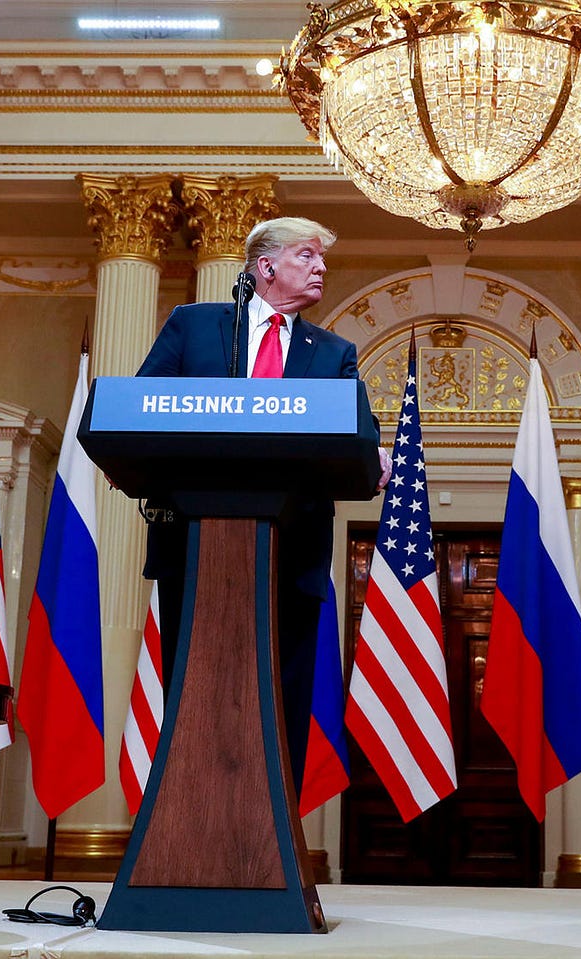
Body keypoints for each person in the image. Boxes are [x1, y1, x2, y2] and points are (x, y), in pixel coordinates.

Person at [136, 216, 390, 791]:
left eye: (322, 258)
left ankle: (273, 839)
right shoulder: (194, 328)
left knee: (281, 697)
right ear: (265, 266)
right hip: (193, 547)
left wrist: (374, 454)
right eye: (308, 256)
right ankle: (183, 821)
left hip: (290, 552)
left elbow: (361, 433)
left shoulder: (334, 353)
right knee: (193, 692)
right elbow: (142, 408)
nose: (321, 267)